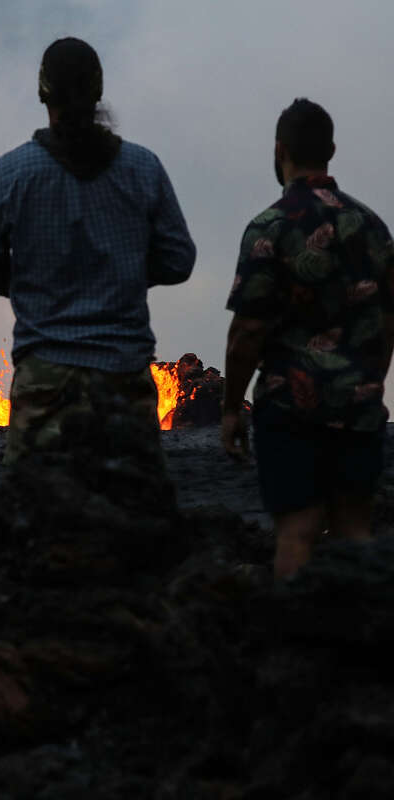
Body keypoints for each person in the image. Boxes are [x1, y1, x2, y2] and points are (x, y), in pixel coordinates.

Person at [0, 37, 196, 467]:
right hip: (124, 376)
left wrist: (39, 286)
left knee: (38, 515)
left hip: (45, 380)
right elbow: (179, 260)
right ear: (98, 91)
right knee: (132, 515)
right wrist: (124, 275)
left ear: (42, 92)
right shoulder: (142, 168)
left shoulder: (9, 174)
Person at [222, 98, 394, 579]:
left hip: (290, 410)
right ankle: (366, 639)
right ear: (332, 150)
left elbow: (249, 330)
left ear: (280, 150)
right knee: (356, 529)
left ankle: (295, 640)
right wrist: (367, 381)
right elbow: (387, 321)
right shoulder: (372, 228)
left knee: (296, 531)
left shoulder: (270, 228)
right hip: (358, 406)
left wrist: (232, 407)